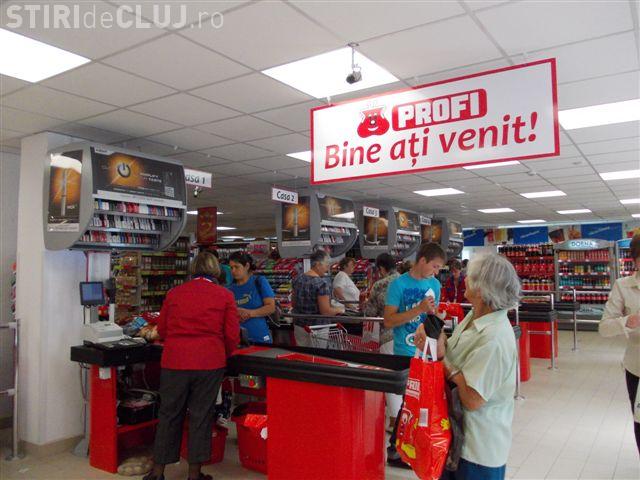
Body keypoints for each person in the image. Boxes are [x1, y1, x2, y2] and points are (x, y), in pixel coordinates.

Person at [415, 253, 519, 480]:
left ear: (481, 290)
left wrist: (443, 362)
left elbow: (472, 399)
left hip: (477, 451)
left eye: (470, 276)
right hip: (454, 439)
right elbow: (452, 351)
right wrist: (435, 338)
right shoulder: (475, 315)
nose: (464, 279)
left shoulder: (494, 338)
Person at [144, 252, 240, 480]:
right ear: (216, 270)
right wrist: (222, 353)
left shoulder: (174, 293)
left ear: (193, 269)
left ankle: (157, 473)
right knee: (201, 416)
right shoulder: (225, 295)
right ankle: (194, 475)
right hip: (209, 362)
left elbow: (162, 329)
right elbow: (231, 335)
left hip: (175, 361)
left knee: (169, 414)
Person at [384, 242, 446, 468]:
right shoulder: (398, 285)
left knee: (422, 403)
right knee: (409, 401)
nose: (436, 272)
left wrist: (437, 320)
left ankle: (407, 447)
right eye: (434, 266)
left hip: (428, 350)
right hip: (405, 351)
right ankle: (396, 449)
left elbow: (433, 316)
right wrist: (418, 309)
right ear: (422, 261)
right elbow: (389, 320)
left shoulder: (435, 285)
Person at [599, 233, 640, 454]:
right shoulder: (623, 286)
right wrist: (628, 321)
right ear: (634, 260)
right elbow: (604, 328)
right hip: (637, 368)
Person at [362, 253, 401, 430]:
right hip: (410, 337)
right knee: (406, 378)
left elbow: (370, 313)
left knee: (390, 378)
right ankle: (406, 418)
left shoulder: (379, 285)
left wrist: (364, 303)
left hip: (388, 337)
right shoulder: (406, 281)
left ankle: (395, 420)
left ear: (381, 269)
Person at [292, 250, 344, 346]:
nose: (327, 268)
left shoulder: (297, 279)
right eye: (326, 265)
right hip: (317, 329)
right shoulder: (322, 284)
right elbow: (325, 312)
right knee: (317, 354)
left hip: (299, 326)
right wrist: (338, 310)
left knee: (302, 353)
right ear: (318, 264)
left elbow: (293, 303)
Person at [228, 251, 275, 344]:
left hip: (260, 338)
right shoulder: (229, 289)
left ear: (247, 266)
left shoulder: (259, 282)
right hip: (237, 339)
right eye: (231, 267)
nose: (233, 271)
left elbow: (271, 307)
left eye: (236, 267)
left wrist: (249, 313)